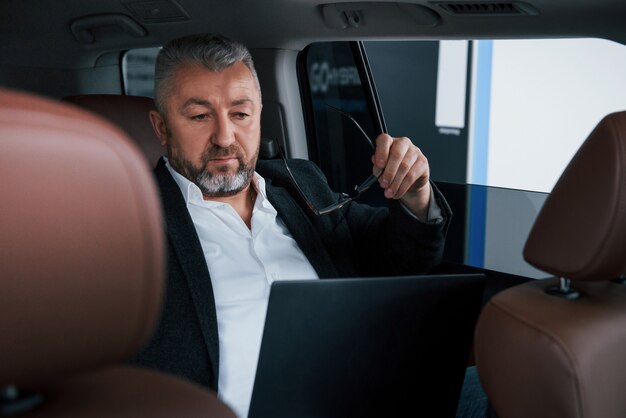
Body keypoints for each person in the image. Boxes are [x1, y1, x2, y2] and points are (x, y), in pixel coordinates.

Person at [131, 33, 460, 418]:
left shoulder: (300, 183)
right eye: (200, 116)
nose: (224, 137)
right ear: (161, 128)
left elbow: (405, 257)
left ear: (258, 116)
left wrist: (416, 194)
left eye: (240, 114)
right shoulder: (130, 223)